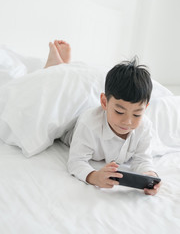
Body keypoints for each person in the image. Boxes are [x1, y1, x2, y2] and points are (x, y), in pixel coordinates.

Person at [45, 40, 161, 196]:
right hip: (71, 126)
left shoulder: (144, 126)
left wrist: (150, 177)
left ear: (145, 109)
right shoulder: (89, 124)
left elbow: (142, 159)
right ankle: (55, 68)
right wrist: (94, 176)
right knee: (57, 100)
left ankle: (62, 67)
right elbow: (76, 161)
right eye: (120, 112)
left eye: (136, 114)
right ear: (104, 102)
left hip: (98, 112)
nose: (128, 121)